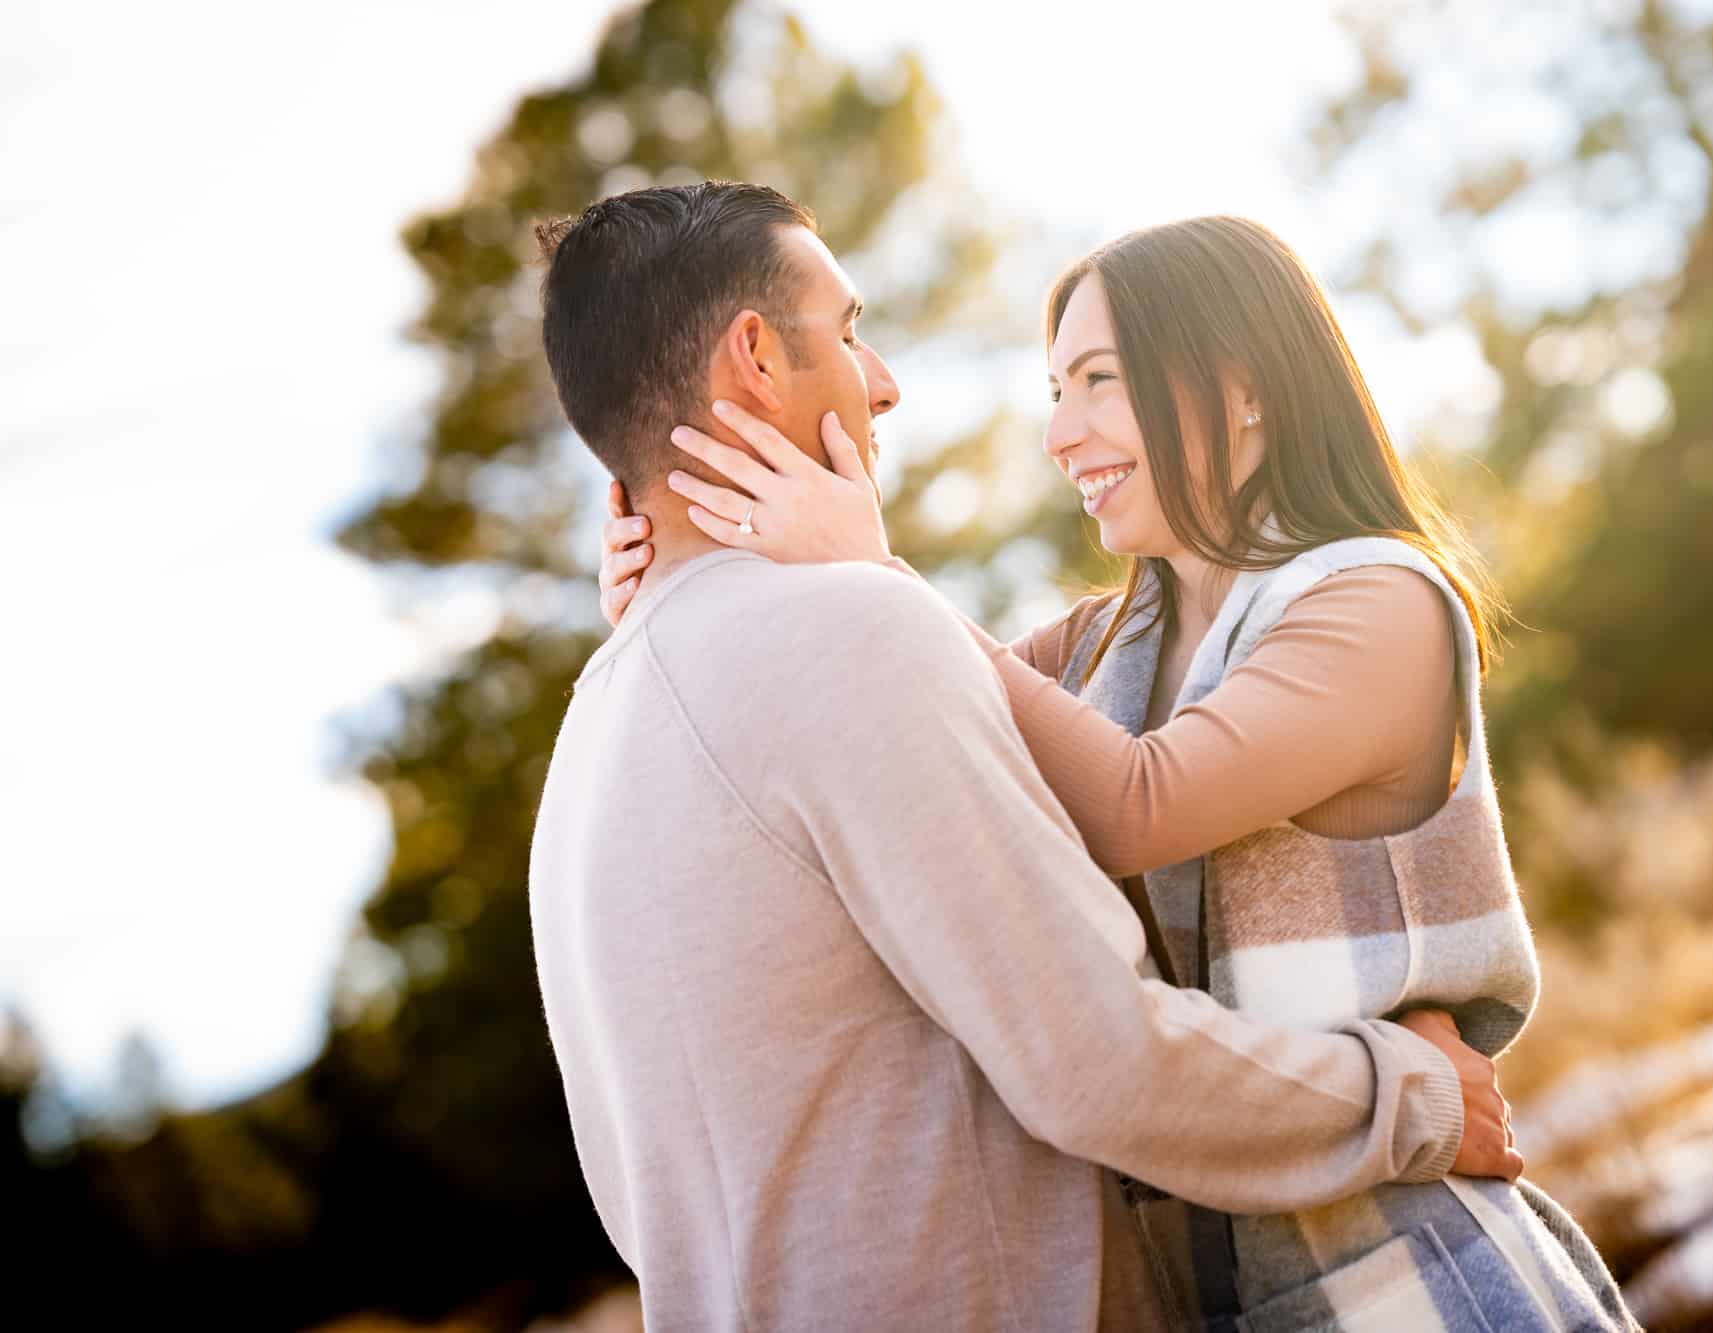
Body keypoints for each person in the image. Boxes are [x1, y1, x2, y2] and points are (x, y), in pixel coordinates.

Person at [601, 214, 1638, 1330]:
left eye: (1097, 381)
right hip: (1213, 1294)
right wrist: (679, 582)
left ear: (1241, 387)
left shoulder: (1375, 601)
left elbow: (1144, 801)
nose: (1060, 432)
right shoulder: (1102, 648)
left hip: (1406, 1280)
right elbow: (921, 702)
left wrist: (877, 578)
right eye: (1055, 389)